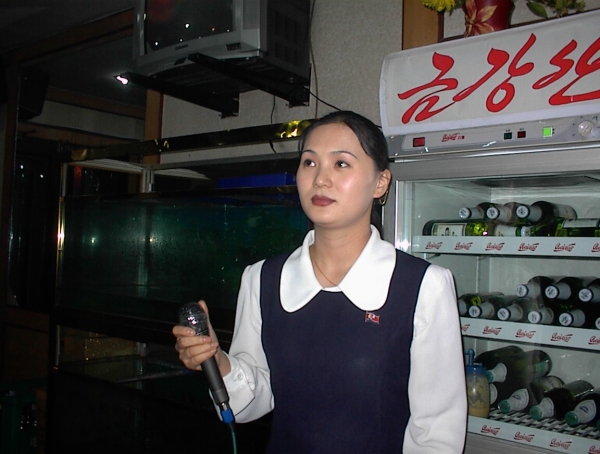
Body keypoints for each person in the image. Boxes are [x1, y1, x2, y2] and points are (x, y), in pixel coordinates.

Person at [173, 110, 467, 453]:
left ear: (381, 183)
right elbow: (249, 404)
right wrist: (217, 360)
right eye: (309, 163)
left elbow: (436, 434)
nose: (320, 179)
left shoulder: (423, 286)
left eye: (341, 163)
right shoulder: (262, 278)